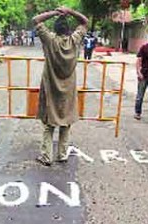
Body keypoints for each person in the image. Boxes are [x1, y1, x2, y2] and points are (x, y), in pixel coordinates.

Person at [32, 6, 88, 166]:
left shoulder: (49, 40)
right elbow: (85, 22)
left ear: (55, 29)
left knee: (49, 124)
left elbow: (36, 20)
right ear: (69, 30)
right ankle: (62, 154)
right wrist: (70, 11)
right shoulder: (75, 40)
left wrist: (55, 13)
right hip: (68, 89)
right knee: (66, 122)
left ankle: (46, 156)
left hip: (51, 88)